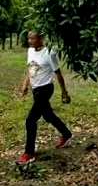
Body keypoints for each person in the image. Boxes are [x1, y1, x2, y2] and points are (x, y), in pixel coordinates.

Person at [16, 31, 72, 165]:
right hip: (36, 89)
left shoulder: (50, 52)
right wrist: (25, 85)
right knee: (48, 115)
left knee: (30, 120)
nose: (30, 41)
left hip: (46, 88)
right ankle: (67, 134)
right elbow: (30, 69)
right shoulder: (30, 51)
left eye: (33, 38)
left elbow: (58, 73)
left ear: (41, 38)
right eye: (28, 38)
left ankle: (29, 153)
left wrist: (64, 92)